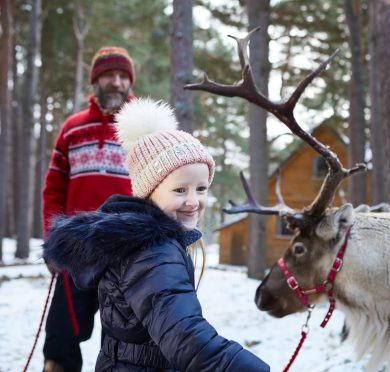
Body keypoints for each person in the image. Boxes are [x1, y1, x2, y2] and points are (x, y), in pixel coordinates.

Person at [43, 98, 270, 371]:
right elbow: (186, 336)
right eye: (179, 190)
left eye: (201, 188)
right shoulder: (154, 252)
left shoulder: (142, 243)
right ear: (149, 190)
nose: (193, 201)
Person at [42, 46, 136, 372]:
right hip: (76, 250)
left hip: (128, 253)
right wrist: (53, 241)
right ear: (96, 81)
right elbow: (54, 189)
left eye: (123, 76)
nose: (117, 82)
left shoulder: (145, 130)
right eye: (109, 75)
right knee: (60, 337)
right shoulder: (72, 128)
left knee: (125, 342)